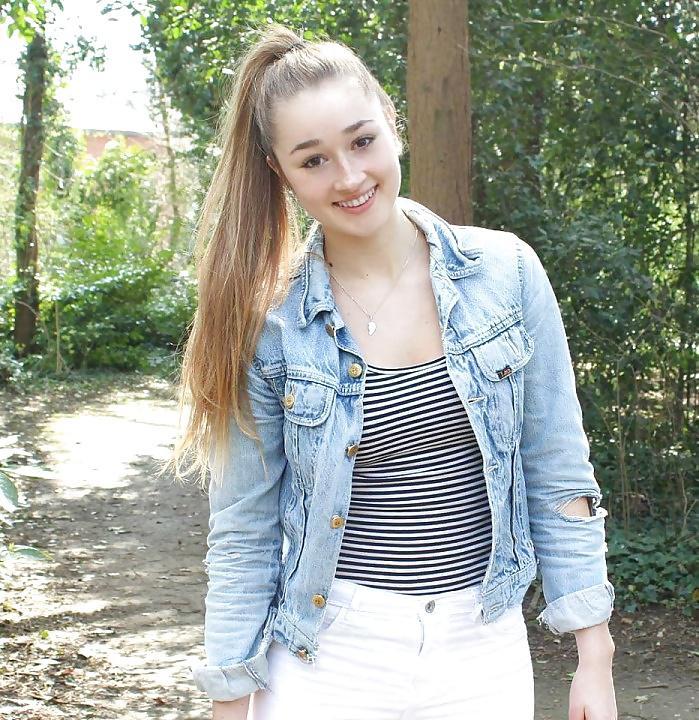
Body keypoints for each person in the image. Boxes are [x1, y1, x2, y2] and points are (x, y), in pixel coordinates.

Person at [174, 22, 617, 720]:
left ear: (391, 121)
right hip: (327, 659)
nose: (349, 177)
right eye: (313, 160)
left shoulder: (505, 273)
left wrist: (594, 655)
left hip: (482, 651)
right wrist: (231, 702)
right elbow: (244, 533)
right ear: (279, 172)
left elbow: (557, 472)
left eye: (361, 141)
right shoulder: (269, 323)